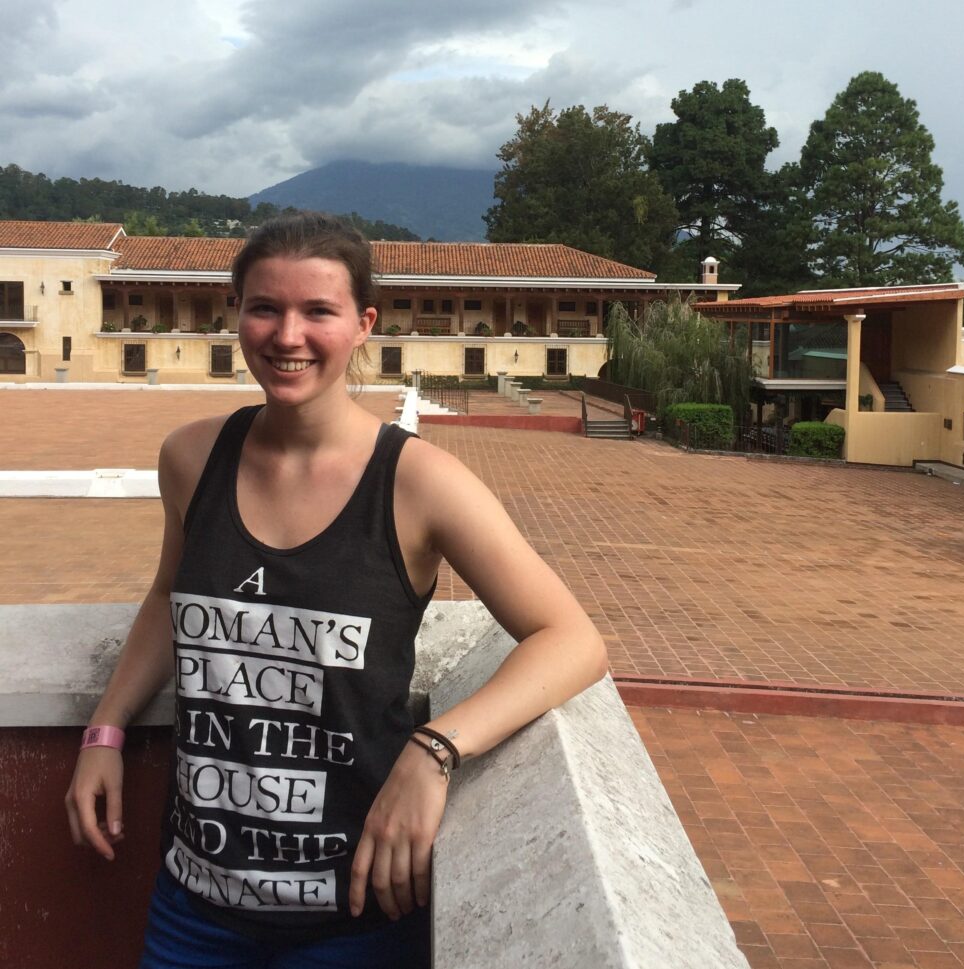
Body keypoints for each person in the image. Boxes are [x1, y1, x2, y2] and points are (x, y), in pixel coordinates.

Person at [65, 213, 608, 969]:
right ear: (237, 315)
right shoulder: (192, 457)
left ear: (363, 324)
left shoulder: (417, 484)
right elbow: (167, 597)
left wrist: (436, 749)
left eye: (318, 310)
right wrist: (107, 729)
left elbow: (572, 637)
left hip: (355, 915)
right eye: (265, 307)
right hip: (193, 904)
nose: (288, 335)